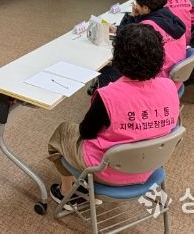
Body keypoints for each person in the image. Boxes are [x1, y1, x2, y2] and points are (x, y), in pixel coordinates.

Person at [48, 24, 179, 206]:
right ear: (159, 55)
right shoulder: (170, 87)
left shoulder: (108, 96)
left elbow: (86, 133)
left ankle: (66, 192)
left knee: (63, 131)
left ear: (118, 56)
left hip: (105, 171)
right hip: (150, 166)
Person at [96, 0, 186, 88]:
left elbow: (124, 40)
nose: (135, 6)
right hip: (174, 75)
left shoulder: (147, 27)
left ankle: (108, 95)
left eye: (137, 4)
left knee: (106, 69)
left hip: (157, 78)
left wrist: (132, 16)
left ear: (146, 8)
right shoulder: (170, 17)